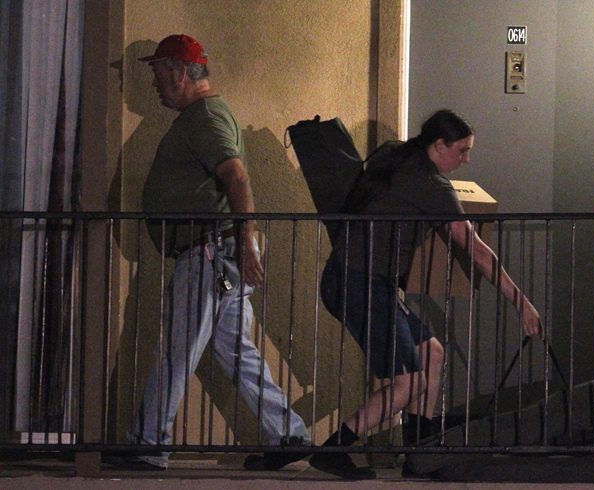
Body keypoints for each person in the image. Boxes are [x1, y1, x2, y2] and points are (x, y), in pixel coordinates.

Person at [310, 109, 544, 480]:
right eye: (462, 150)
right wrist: (522, 303)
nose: (466, 159)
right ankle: (335, 448)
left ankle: (417, 450)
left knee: (431, 352)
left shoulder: (396, 155)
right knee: (410, 381)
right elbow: (477, 250)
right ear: (440, 145)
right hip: (358, 281)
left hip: (360, 279)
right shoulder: (432, 184)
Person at [123, 34, 310, 471]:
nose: (153, 84)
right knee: (235, 351)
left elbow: (238, 179)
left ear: (179, 73)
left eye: (156, 74)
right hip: (219, 253)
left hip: (211, 254)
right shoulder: (203, 116)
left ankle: (149, 443)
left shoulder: (205, 116)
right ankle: (288, 433)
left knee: (179, 348)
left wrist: (246, 246)